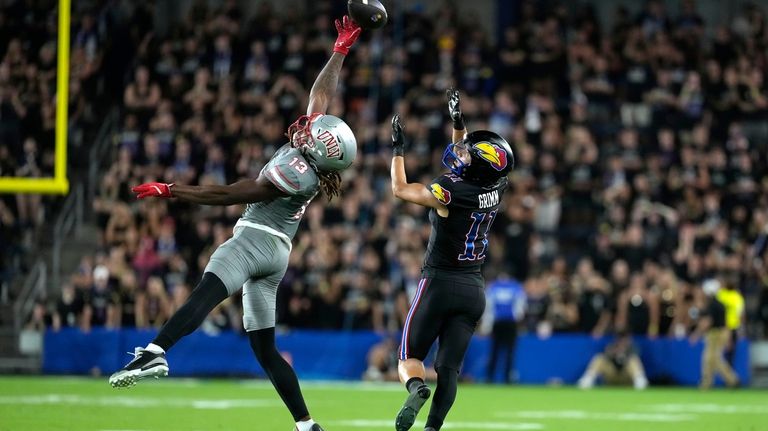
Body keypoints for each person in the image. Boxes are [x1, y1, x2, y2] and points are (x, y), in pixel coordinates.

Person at [107, 15, 362, 431]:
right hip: (278, 252)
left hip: (255, 239)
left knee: (206, 292)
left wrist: (172, 190)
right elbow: (321, 96)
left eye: (311, 134)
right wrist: (340, 49)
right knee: (265, 350)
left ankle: (156, 351)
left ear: (315, 151)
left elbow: (228, 195)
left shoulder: (297, 171)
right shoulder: (316, 163)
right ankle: (306, 424)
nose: (304, 128)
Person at [389, 89, 514, 431]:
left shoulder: (451, 190)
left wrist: (398, 149)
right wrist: (458, 122)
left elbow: (400, 189)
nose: (463, 156)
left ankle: (415, 388)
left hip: (439, 281)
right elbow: (471, 159)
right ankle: (432, 428)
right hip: (473, 288)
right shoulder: (497, 185)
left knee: (409, 357)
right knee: (449, 369)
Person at [689, 278, 740, 389]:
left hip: (715, 333)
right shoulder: (720, 303)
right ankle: (709, 382)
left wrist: (696, 334)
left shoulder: (712, 304)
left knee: (711, 358)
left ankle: (730, 379)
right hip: (722, 332)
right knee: (711, 358)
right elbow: (726, 322)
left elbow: (707, 322)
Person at [484, 274, 526, 384]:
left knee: (495, 351)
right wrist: (517, 318)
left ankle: (490, 377)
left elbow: (488, 306)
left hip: (498, 322)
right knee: (509, 352)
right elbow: (520, 306)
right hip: (510, 323)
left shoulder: (493, 287)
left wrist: (487, 324)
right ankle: (507, 378)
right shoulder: (516, 287)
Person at [576, 331, 648, 390]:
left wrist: (624, 353)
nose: (622, 341)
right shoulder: (611, 347)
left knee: (634, 360)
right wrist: (614, 353)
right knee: (599, 358)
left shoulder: (633, 348)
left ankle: (640, 381)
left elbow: (636, 357)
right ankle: (588, 379)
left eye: (624, 339)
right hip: (612, 375)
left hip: (626, 376)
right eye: (620, 339)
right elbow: (606, 356)